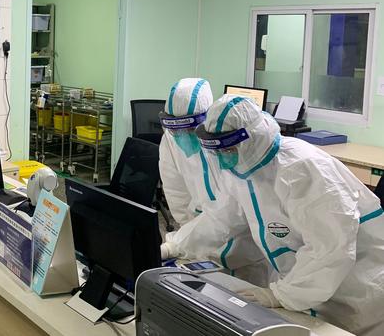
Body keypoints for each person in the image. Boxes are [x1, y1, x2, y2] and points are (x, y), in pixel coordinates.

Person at [164, 94, 384, 335]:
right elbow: (220, 218)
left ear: (252, 139)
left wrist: (282, 294)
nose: (225, 158)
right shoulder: (243, 170)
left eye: (229, 148)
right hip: (309, 290)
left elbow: (330, 249)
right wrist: (176, 245)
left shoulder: (303, 169)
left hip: (355, 293)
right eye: (219, 151)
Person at [158, 78, 269, 286]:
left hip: (244, 251)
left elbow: (230, 213)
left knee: (247, 307)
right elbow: (176, 193)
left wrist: (177, 244)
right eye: (176, 130)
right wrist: (187, 240)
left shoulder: (228, 146)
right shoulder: (171, 140)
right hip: (197, 244)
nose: (182, 136)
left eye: (190, 129)